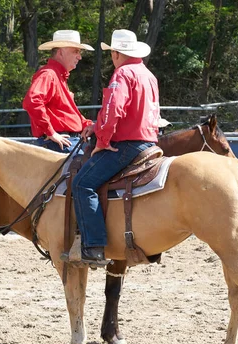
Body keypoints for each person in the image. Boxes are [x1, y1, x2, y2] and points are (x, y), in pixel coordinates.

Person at [72, 29, 160, 265]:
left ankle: (94, 246)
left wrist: (102, 140)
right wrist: (96, 125)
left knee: (82, 183)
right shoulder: (148, 75)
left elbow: (113, 111)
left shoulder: (122, 74)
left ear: (116, 53)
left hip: (127, 146)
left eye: (111, 52)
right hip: (149, 143)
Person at [23, 30, 94, 153]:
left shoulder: (57, 76)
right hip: (59, 143)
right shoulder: (49, 74)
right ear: (61, 52)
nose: (80, 56)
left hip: (64, 141)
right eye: (75, 51)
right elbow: (32, 101)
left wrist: (87, 124)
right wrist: (51, 132)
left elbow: (66, 113)